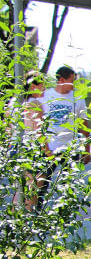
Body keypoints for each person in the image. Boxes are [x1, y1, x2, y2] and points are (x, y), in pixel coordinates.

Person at [37, 66, 90, 208]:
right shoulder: (45, 97)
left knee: (68, 186)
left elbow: (84, 126)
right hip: (49, 149)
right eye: (71, 80)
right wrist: (45, 147)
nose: (73, 84)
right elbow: (38, 124)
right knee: (41, 184)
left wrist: (87, 149)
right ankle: (36, 213)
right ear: (61, 80)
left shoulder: (78, 99)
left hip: (69, 149)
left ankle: (64, 216)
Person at [9, 72, 47, 209]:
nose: (44, 89)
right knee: (32, 191)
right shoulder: (35, 104)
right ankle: (27, 226)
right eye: (42, 86)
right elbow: (39, 132)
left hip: (14, 148)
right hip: (30, 150)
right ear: (33, 86)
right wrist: (46, 153)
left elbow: (8, 130)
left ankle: (14, 224)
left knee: (19, 191)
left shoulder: (13, 102)